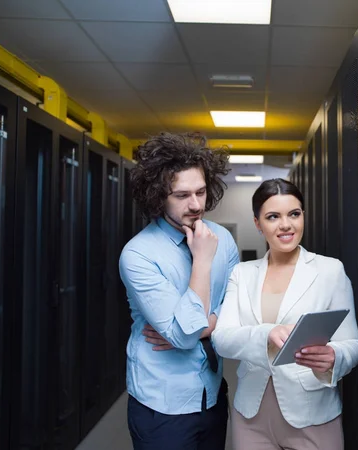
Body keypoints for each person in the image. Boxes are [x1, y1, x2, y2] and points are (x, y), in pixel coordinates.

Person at [212, 178, 358, 450]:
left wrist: (334, 357)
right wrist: (266, 333)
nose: (286, 225)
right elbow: (222, 339)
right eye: (273, 217)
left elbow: (352, 345)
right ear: (258, 224)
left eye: (294, 214)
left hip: (312, 413)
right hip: (252, 416)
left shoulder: (330, 271)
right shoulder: (242, 274)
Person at [118, 132, 239, 450]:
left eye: (200, 191)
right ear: (158, 197)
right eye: (182, 195)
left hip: (212, 393)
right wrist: (201, 261)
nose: (196, 204)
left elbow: (240, 307)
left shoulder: (222, 239)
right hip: (163, 405)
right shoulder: (138, 254)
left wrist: (204, 327)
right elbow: (186, 334)